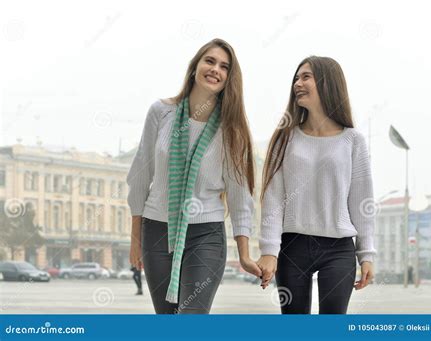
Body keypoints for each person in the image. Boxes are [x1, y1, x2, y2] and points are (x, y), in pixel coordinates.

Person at [127, 38, 261, 314]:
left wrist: (245, 254)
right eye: (209, 61)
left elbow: (239, 196)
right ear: (194, 67)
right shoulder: (161, 112)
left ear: (229, 79)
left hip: (206, 233)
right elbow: (140, 176)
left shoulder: (231, 128)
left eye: (224, 66)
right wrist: (135, 240)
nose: (215, 69)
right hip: (156, 229)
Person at [257, 56, 377, 314]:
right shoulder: (285, 138)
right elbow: (273, 199)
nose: (297, 83)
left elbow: (362, 201)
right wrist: (269, 250)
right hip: (292, 247)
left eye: (306, 77)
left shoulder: (353, 140)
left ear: (327, 83)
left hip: (339, 249)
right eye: (296, 78)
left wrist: (366, 254)